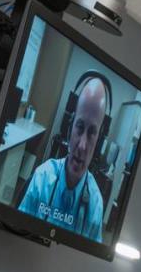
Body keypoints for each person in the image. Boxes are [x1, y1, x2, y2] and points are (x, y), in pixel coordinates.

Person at [17, 75, 108, 242]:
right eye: (80, 127)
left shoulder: (95, 205)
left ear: (99, 141)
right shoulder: (41, 178)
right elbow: (16, 238)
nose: (82, 146)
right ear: (69, 128)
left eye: (92, 133)